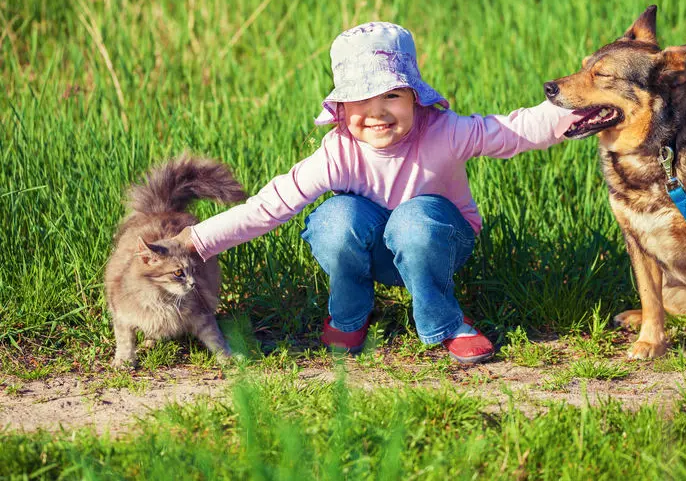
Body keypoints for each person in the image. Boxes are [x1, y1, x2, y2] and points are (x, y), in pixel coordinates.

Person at [174, 22, 579, 364]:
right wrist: (193, 241)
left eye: (391, 95)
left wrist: (585, 108)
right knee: (335, 220)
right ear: (342, 109)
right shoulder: (338, 152)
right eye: (360, 100)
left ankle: (444, 320)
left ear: (415, 98)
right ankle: (350, 317)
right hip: (372, 252)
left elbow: (515, 130)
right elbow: (268, 207)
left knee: (413, 220)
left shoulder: (444, 132)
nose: (377, 112)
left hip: (438, 243)